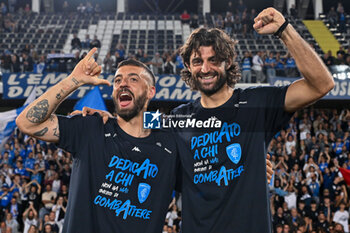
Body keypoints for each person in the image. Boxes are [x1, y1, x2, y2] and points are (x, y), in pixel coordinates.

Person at [170, 7, 333, 232]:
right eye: (197, 61)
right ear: (188, 66)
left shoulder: (256, 103)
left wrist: (284, 30)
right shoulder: (178, 118)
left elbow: (321, 85)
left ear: (228, 61)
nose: (205, 68)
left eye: (214, 59)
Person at [16, 48, 179, 233]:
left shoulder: (170, 143)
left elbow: (205, 122)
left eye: (133, 79)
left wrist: (146, 121)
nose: (123, 84)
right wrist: (73, 81)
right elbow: (27, 123)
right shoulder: (91, 127)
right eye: (118, 80)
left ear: (151, 91)